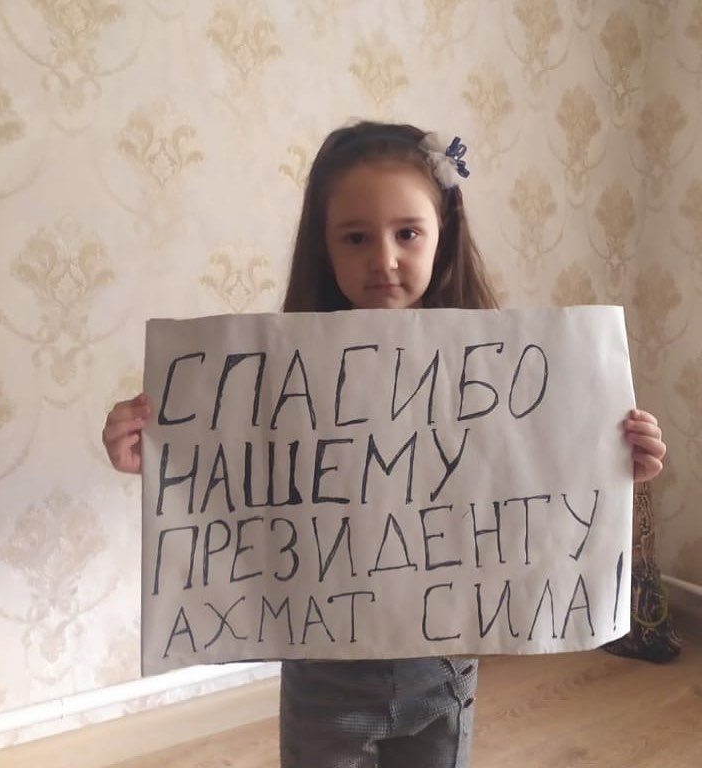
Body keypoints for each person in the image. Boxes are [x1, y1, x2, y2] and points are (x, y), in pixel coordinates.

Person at [102, 121, 667, 767]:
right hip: (325, 675)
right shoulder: (278, 373)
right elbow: (236, 475)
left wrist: (611, 462)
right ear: (324, 247)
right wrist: (150, 449)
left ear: (443, 234)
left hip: (445, 667)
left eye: (408, 233)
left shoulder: (495, 370)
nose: (385, 259)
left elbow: (529, 473)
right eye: (355, 237)